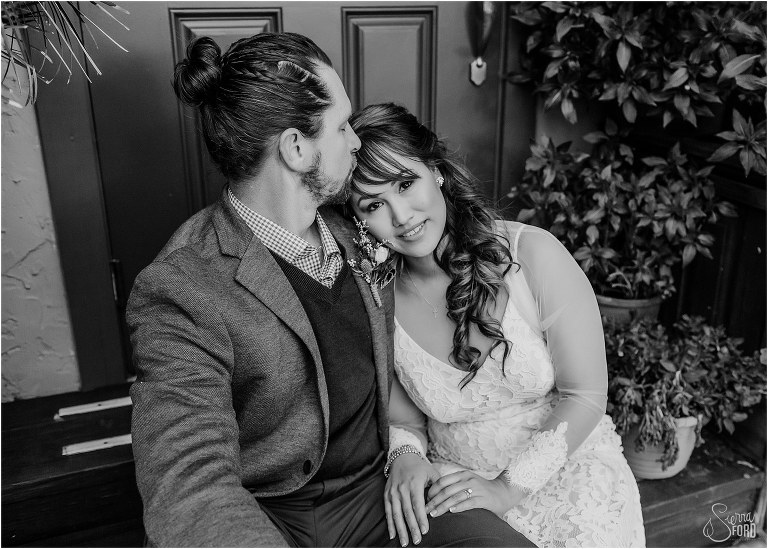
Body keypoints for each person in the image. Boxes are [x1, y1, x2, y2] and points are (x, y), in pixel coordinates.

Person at [127, 33, 535, 548]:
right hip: (272, 514)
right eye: (342, 126)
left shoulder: (359, 225)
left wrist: (408, 453)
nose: (357, 141)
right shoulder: (183, 286)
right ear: (297, 149)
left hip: (383, 491)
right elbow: (189, 481)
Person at [346, 102, 647, 548]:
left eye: (406, 184)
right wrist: (406, 455)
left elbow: (585, 396)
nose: (402, 216)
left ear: (437, 171)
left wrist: (507, 489)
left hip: (569, 474)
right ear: (358, 219)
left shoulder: (534, 255)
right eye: (374, 204)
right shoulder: (377, 297)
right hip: (457, 489)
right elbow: (406, 417)